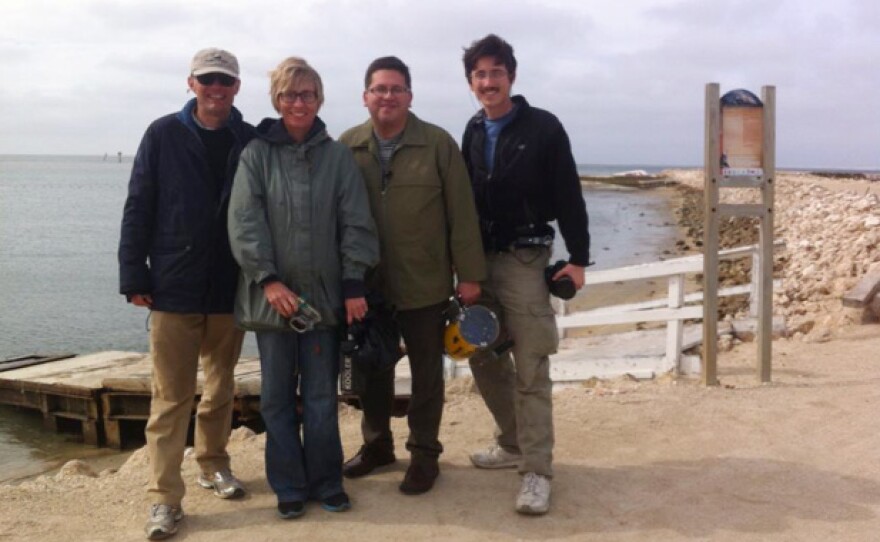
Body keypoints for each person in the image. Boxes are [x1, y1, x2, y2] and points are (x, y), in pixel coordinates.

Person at [227, 57, 379, 519]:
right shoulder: (255, 154)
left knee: (320, 397)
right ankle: (288, 486)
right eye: (290, 94)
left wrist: (354, 283)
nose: (299, 102)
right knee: (275, 398)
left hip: (324, 301)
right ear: (277, 99)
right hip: (272, 302)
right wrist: (267, 279)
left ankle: (326, 482)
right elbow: (244, 221)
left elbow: (357, 223)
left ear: (319, 100)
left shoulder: (336, 157)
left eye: (307, 94)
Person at [118, 48, 255, 540]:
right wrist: (133, 275)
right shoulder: (162, 134)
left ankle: (213, 464)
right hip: (172, 286)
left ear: (237, 87)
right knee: (171, 398)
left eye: (226, 81)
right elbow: (139, 204)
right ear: (191, 83)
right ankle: (164, 498)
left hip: (228, 285)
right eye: (208, 80)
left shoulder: (250, 137)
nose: (217, 88)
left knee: (221, 388)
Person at [338, 56, 486, 495]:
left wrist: (471, 275)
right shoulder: (346, 147)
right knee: (372, 369)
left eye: (396, 88)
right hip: (367, 285)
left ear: (409, 96)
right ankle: (377, 445)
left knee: (426, 374)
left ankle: (424, 454)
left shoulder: (438, 145)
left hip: (425, 282)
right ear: (366, 96)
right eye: (379, 88)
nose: (388, 96)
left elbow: (462, 215)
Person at [460, 34, 590, 515]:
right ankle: (512, 441)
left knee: (531, 364)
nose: (488, 81)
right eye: (480, 74)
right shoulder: (473, 129)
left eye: (496, 72)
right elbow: (463, 202)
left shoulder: (543, 128)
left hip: (525, 258)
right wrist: (460, 264)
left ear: (511, 77)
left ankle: (537, 470)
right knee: (482, 353)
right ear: (471, 82)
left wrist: (579, 258)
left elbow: (570, 195)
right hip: (480, 261)